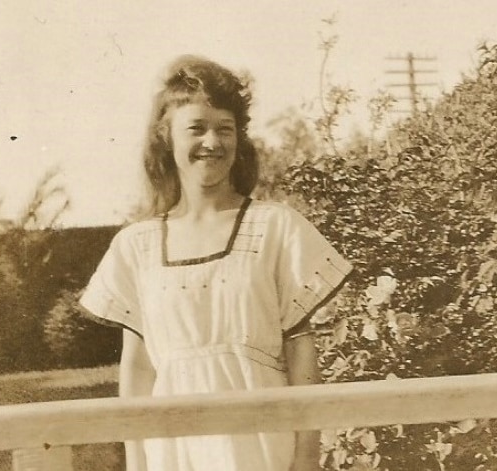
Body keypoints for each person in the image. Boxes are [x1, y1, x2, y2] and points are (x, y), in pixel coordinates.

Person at [79, 55, 353, 471]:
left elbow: (302, 355)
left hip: (262, 441)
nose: (213, 141)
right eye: (196, 128)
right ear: (166, 137)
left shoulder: (276, 227)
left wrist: (306, 457)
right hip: (173, 446)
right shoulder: (136, 246)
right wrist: (137, 463)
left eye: (225, 129)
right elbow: (137, 371)